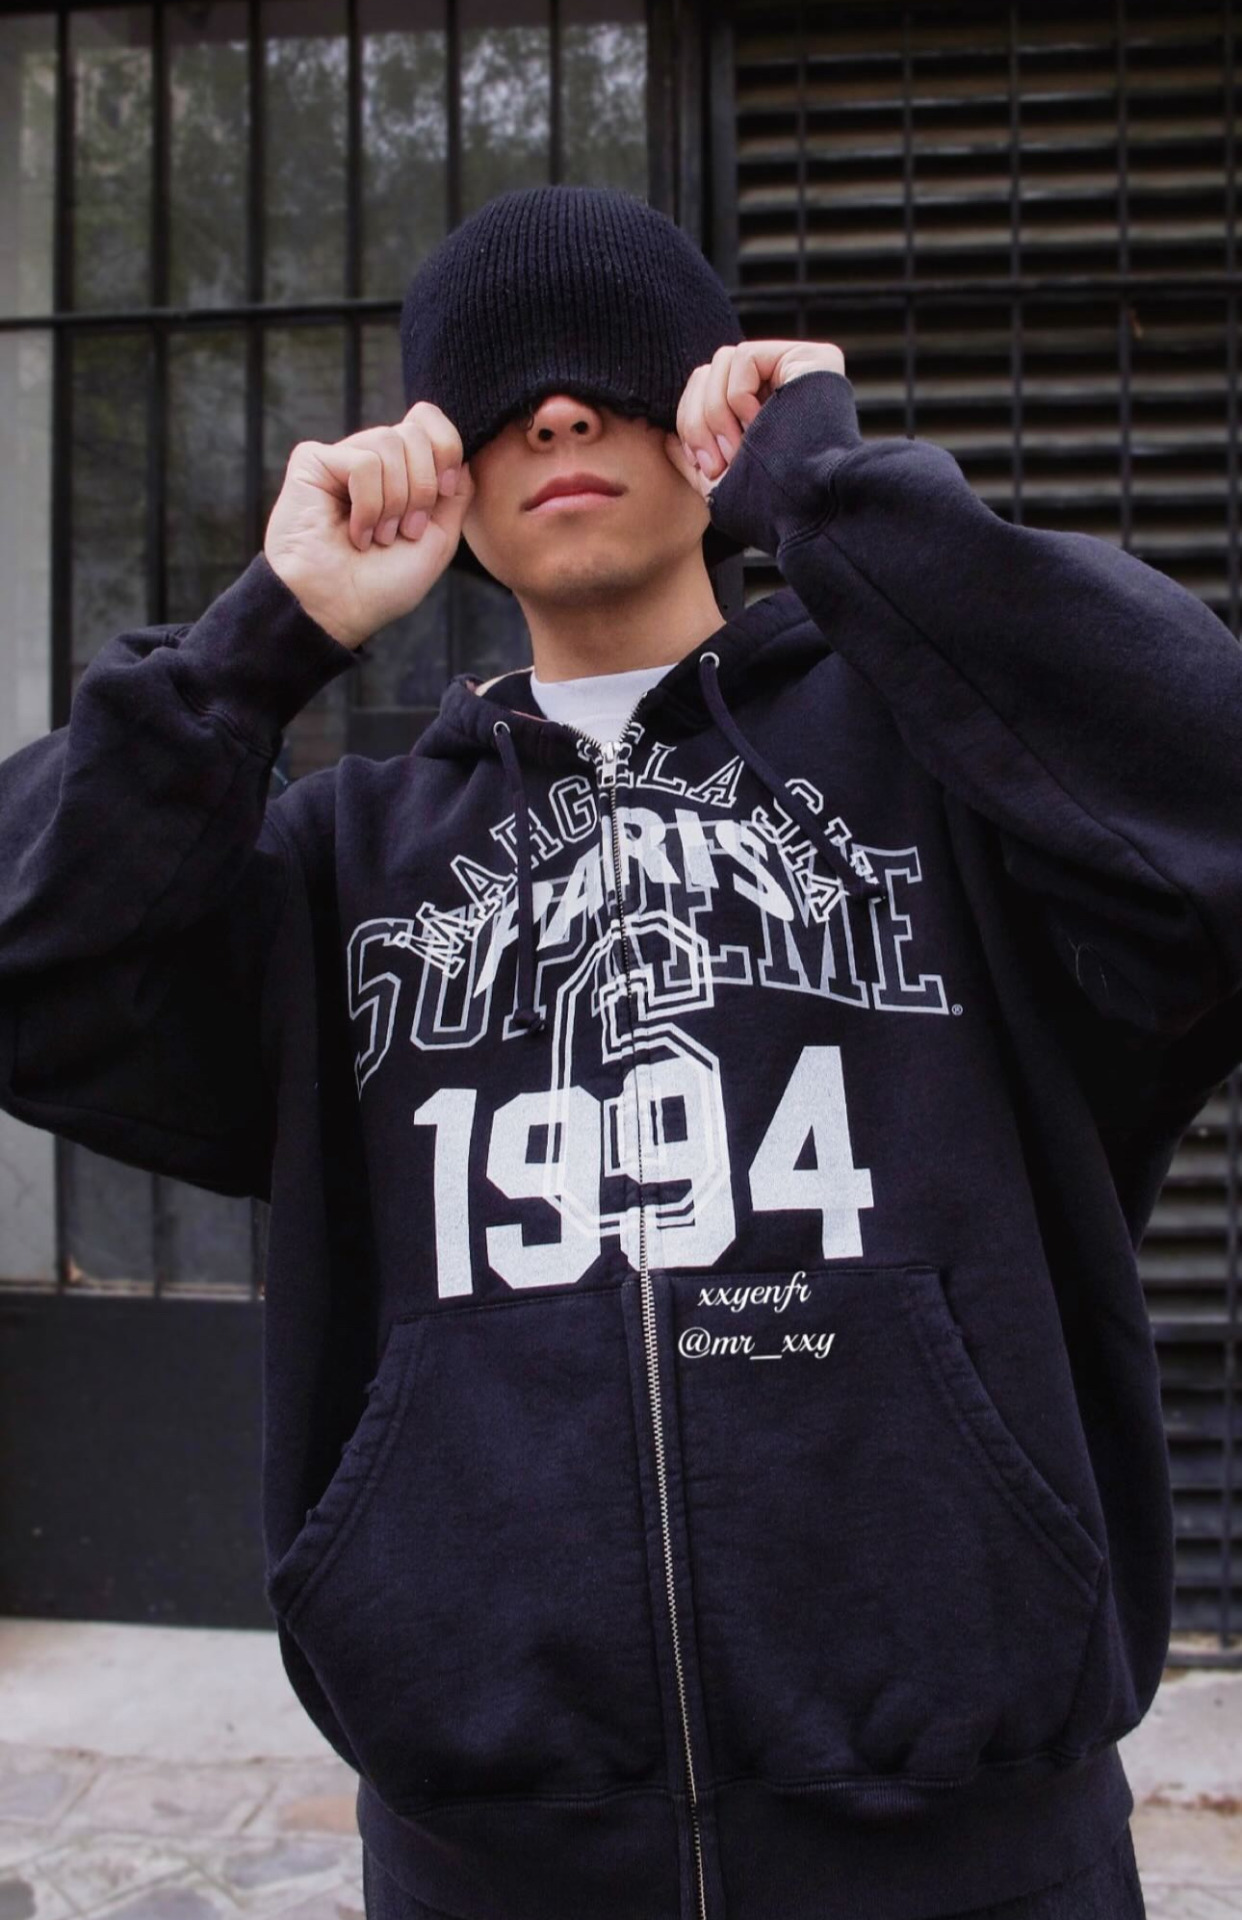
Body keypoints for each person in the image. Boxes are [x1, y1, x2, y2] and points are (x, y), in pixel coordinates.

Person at [1, 182, 1239, 1920]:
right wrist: (263, 638)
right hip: (493, 1860)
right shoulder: (341, 865)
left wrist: (842, 506)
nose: (561, 417)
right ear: (442, 463)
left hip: (974, 1851)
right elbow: (34, 961)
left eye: (614, 378)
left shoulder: (956, 791)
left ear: (711, 415)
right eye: (502, 394)